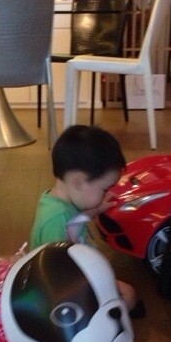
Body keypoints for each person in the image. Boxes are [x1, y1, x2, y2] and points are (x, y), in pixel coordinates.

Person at [29, 124, 145, 317]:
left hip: (74, 273)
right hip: (56, 294)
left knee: (121, 290)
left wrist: (97, 209)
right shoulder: (56, 222)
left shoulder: (61, 201)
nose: (107, 193)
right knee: (128, 295)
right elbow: (57, 277)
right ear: (78, 181)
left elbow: (76, 220)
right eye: (104, 189)